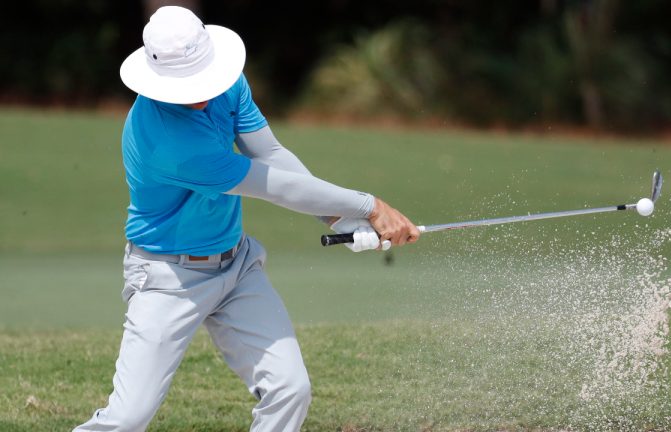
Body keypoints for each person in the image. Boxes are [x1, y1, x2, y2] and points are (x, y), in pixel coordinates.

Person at [73, 6, 420, 432]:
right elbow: (272, 185)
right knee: (126, 420)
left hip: (237, 267)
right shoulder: (166, 140)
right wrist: (369, 206)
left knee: (290, 390)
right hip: (167, 279)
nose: (198, 92)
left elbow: (271, 155)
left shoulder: (227, 82)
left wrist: (340, 220)